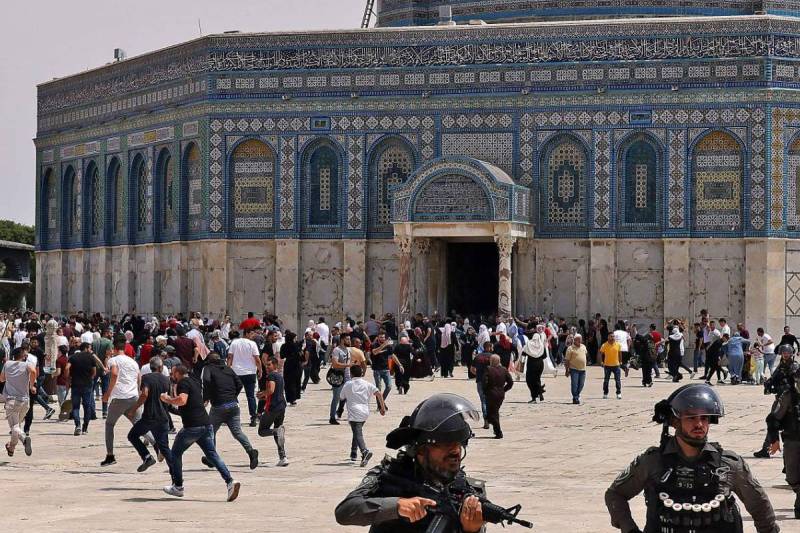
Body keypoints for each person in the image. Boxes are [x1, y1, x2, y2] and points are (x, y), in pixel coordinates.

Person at [605, 383, 779, 533]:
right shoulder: (652, 461)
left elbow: (760, 507)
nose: (699, 425)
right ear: (675, 422)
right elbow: (615, 494)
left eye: (704, 418)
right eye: (691, 418)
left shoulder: (730, 464)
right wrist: (629, 529)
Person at [335, 393, 486, 532]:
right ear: (420, 451)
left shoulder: (468, 491)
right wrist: (396, 506)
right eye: (445, 444)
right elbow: (345, 511)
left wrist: (472, 530)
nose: (455, 450)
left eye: (459, 443)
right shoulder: (388, 476)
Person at [160, 365, 241, 501]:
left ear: (178, 373)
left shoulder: (183, 382)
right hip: (205, 424)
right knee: (212, 455)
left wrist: (167, 399)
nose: (171, 375)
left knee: (175, 453)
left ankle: (178, 487)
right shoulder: (194, 381)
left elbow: (182, 400)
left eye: (173, 373)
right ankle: (230, 482)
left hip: (192, 427)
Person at [758, 344, 800, 518]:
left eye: (787, 352)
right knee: (792, 476)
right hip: (792, 439)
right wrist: (775, 440)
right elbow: (773, 419)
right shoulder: (790, 395)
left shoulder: (794, 365)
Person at [202, 351, 259, 470]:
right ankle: (251, 451)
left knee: (210, 431)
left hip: (219, 406)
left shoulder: (208, 368)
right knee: (237, 432)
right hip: (233, 405)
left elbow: (206, 381)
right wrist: (233, 396)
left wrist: (207, 397)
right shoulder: (228, 369)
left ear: (209, 361)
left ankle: (212, 458)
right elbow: (239, 384)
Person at [101, 335, 151, 466]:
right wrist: (139, 393)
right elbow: (139, 378)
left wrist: (108, 393)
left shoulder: (114, 360)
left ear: (114, 348)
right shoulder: (133, 362)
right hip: (133, 396)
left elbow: (115, 374)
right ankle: (158, 446)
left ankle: (110, 455)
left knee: (109, 425)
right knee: (139, 424)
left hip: (120, 397)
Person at [126, 357, 172, 473]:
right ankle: (175, 470)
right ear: (161, 367)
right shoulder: (166, 379)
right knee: (165, 448)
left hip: (149, 416)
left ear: (151, 367)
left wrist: (134, 408)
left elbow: (144, 394)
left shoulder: (146, 378)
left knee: (132, 435)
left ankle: (147, 457)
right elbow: (169, 396)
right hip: (163, 417)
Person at [340, 364, 386, 466]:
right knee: (356, 431)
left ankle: (364, 451)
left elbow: (341, 397)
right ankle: (353, 453)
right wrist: (382, 408)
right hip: (365, 412)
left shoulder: (348, 384)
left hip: (354, 412)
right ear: (361, 373)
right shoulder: (367, 384)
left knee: (357, 432)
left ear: (351, 373)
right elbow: (379, 393)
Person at [0, 347, 36, 457]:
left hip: (12, 401)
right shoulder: (26, 365)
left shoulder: (7, 364)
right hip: (25, 401)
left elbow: (1, 379)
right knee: (17, 427)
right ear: (23, 356)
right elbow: (33, 371)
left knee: (15, 427)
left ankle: (24, 439)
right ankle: (11, 447)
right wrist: (32, 385)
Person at [257, 356, 289, 467]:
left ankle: (275, 431)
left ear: (275, 365)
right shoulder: (280, 376)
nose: (267, 367)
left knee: (262, 431)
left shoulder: (271, 376)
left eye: (269, 364)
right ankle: (283, 457)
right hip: (282, 406)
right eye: (266, 365)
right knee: (279, 432)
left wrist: (262, 394)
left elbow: (271, 390)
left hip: (273, 407)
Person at [227, 329, 261, 426]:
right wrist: (260, 370)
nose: (253, 334)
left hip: (236, 372)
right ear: (246, 333)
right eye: (252, 332)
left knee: (232, 395)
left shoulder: (234, 343)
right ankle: (253, 417)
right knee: (250, 396)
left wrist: (228, 369)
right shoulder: (252, 344)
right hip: (250, 372)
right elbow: (257, 359)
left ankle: (232, 416)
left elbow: (230, 357)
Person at [66, 342, 97, 436]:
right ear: (86, 348)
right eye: (90, 348)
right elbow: (94, 372)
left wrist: (68, 379)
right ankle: (85, 428)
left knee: (75, 407)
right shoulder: (91, 357)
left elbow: (67, 368)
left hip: (75, 384)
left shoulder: (73, 357)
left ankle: (77, 425)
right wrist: (90, 378)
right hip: (87, 385)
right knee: (87, 406)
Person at [483, 354, 513, 438]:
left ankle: (498, 432)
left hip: (491, 394)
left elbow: (484, 382)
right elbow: (510, 382)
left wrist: (485, 391)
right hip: (500, 394)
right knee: (493, 412)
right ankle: (496, 430)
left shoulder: (488, 369)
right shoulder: (504, 369)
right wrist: (503, 390)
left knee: (493, 413)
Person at [329, 334, 353, 425]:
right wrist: (347, 365)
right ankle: (332, 417)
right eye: (347, 339)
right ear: (342, 340)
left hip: (347, 377)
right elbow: (335, 364)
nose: (349, 341)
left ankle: (351, 417)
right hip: (338, 377)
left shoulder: (348, 350)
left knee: (349, 397)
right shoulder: (336, 350)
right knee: (336, 398)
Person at [522, 324, 548, 403]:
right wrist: (537, 355)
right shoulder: (541, 345)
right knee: (537, 380)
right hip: (540, 365)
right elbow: (545, 356)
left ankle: (535, 397)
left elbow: (523, 354)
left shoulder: (529, 344)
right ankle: (540, 394)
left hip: (531, 365)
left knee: (530, 381)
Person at [565, 333, 587, 404]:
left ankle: (576, 395)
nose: (579, 341)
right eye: (578, 339)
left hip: (583, 369)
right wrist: (567, 370)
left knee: (581, 384)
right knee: (574, 384)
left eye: (580, 339)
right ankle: (575, 397)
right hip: (574, 369)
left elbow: (585, 354)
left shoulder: (583, 346)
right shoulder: (570, 348)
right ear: (574, 340)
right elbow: (567, 360)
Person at [600, 333, 623, 400]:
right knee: (606, 380)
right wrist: (601, 361)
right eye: (611, 336)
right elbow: (601, 353)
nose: (612, 338)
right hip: (607, 365)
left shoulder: (618, 345)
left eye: (613, 336)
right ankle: (605, 393)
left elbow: (620, 353)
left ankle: (618, 393)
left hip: (616, 365)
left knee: (617, 380)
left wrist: (621, 361)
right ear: (608, 337)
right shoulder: (604, 345)